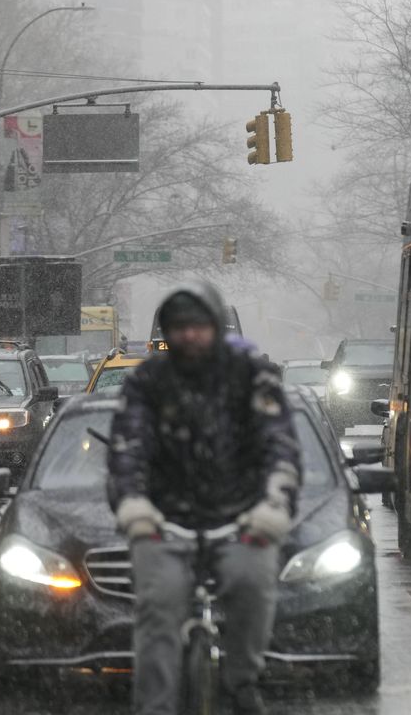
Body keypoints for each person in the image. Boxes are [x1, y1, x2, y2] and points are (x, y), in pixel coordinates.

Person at [108, 282, 301, 715]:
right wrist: (133, 505)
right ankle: (156, 705)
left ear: (216, 326)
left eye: (198, 326)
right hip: (163, 520)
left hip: (241, 517)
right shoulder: (147, 382)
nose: (188, 335)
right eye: (178, 327)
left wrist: (273, 507)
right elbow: (127, 448)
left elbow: (280, 446)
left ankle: (241, 681)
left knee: (253, 582)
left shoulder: (252, 373)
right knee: (158, 609)